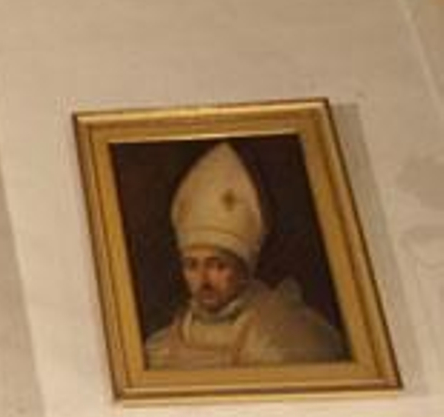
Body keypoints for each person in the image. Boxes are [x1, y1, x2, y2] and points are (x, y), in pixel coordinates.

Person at [144, 141, 346, 369]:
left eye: (217, 266)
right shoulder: (163, 343)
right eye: (191, 265)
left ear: (243, 270)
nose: (203, 279)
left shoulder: (281, 332)